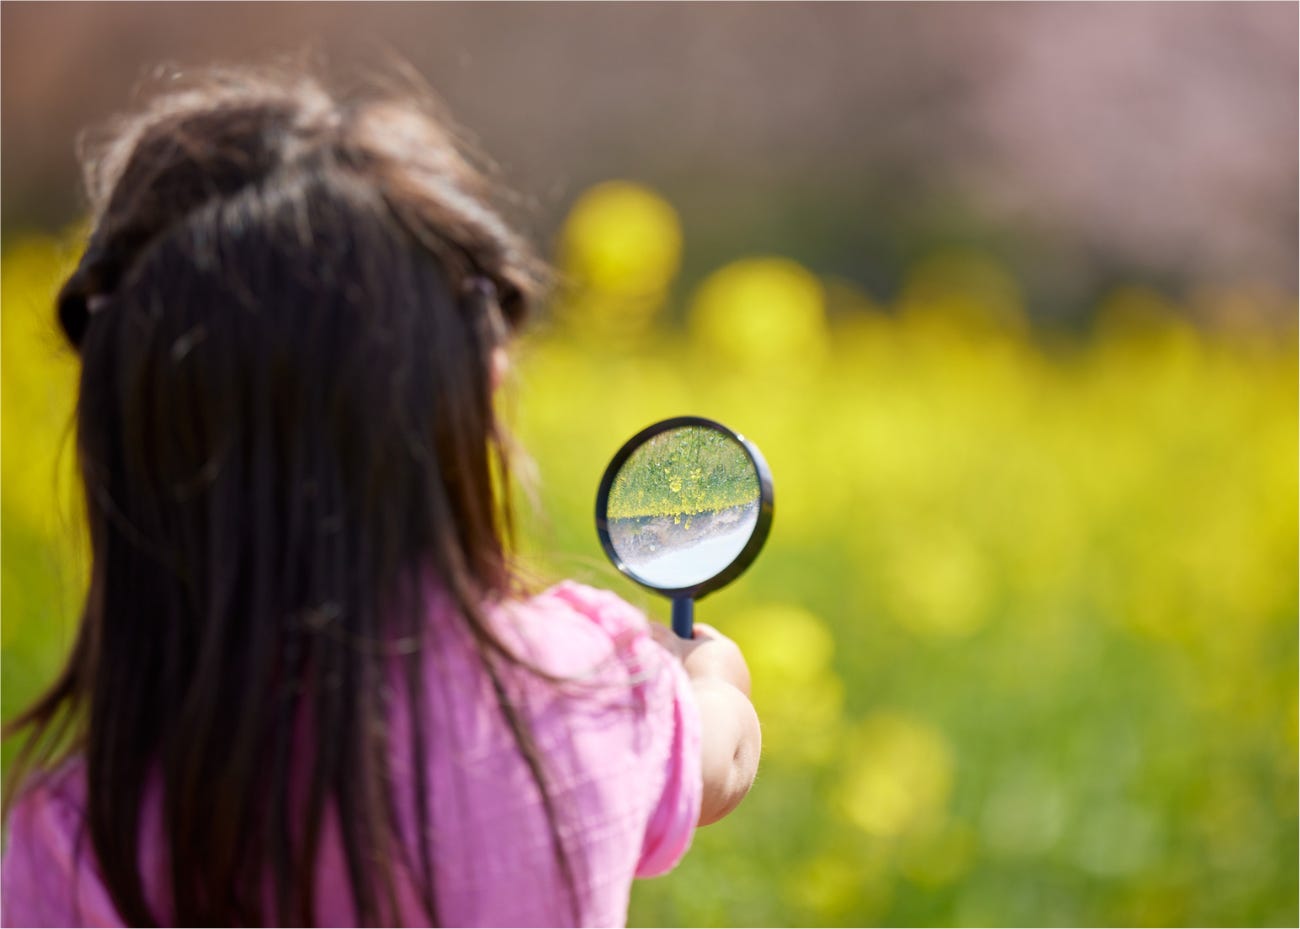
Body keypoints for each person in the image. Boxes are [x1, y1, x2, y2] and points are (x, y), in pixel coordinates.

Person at [0, 65, 761, 928]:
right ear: (475, 392)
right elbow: (720, 758)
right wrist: (710, 680)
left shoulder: (73, 837)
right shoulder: (577, 697)